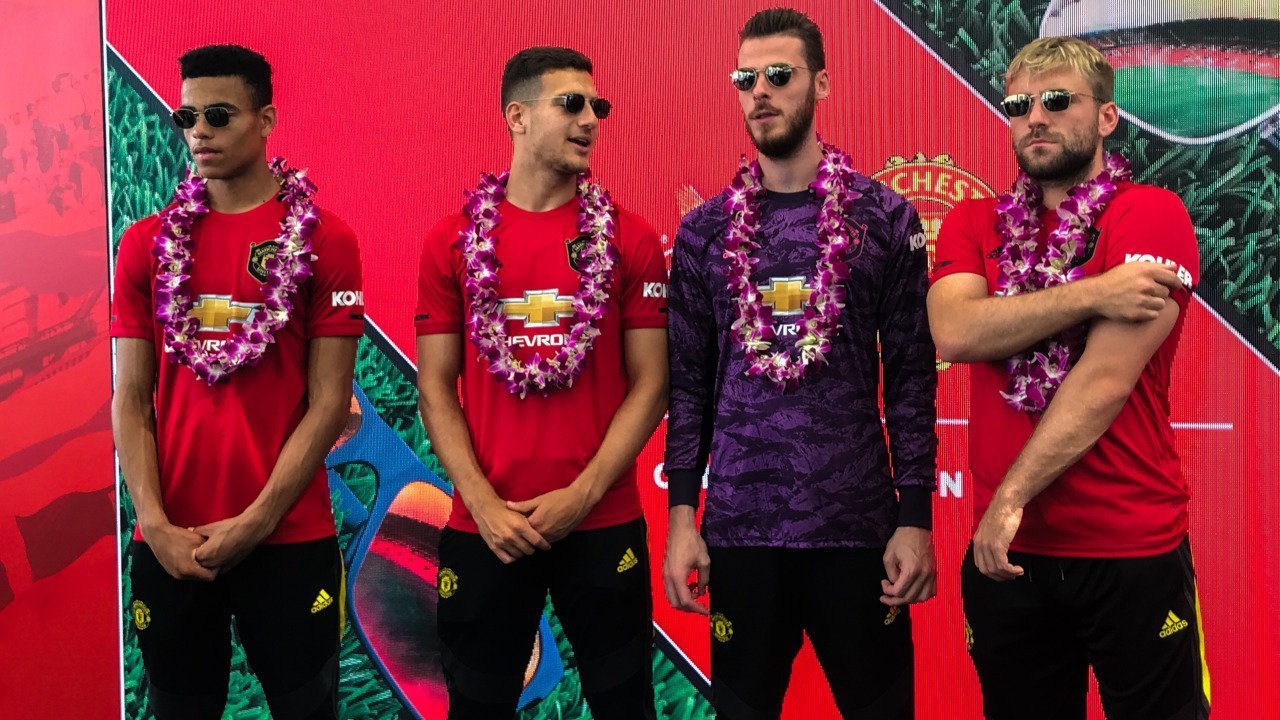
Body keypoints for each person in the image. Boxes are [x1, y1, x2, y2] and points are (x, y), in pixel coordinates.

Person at [662, 9, 937, 719]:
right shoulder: (704, 232)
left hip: (857, 529)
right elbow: (688, 387)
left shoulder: (884, 218)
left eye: (779, 75)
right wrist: (683, 517)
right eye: (745, 78)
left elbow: (911, 378)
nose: (760, 91)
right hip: (740, 533)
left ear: (821, 83)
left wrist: (915, 518)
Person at [928, 36, 1208, 720]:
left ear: (1107, 117)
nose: (1035, 117)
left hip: (1129, 546)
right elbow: (956, 331)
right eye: (1018, 105)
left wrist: (1010, 498)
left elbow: (1104, 379)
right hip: (1008, 558)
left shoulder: (1150, 213)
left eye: (1057, 100)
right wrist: (1093, 293)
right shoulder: (973, 222)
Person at [414, 46, 668, 719]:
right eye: (571, 104)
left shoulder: (632, 240)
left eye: (597, 106)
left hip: (602, 520)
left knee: (627, 707)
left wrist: (582, 496)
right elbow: (436, 387)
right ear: (517, 116)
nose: (590, 119)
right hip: (486, 526)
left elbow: (652, 383)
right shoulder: (451, 242)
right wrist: (483, 505)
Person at [111, 44, 363, 720]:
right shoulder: (144, 244)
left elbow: (329, 403)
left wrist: (256, 522)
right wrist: (154, 523)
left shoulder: (326, 243)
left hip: (288, 539)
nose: (199, 131)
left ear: (266, 119)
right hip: (172, 543)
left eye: (218, 115)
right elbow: (131, 398)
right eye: (186, 117)